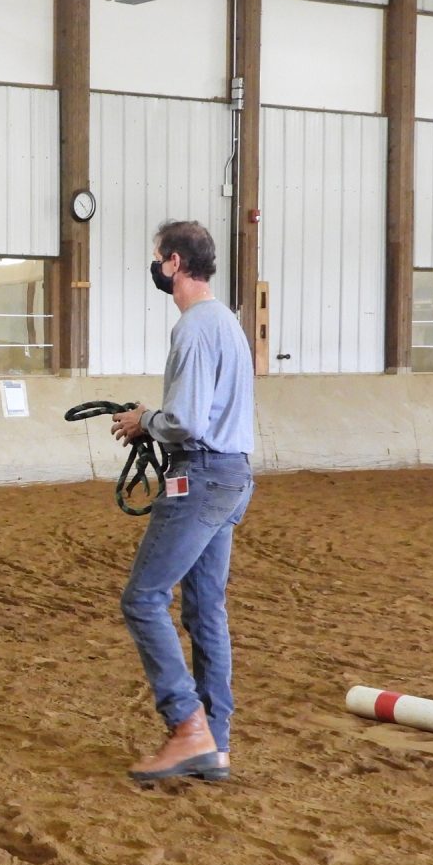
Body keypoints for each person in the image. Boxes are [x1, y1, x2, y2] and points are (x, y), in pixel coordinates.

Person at [111, 219, 256, 784]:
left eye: (157, 258)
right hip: (230, 475)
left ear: (173, 262)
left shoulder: (195, 327)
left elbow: (186, 421)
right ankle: (215, 744)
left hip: (200, 476)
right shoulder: (228, 324)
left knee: (143, 598)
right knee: (204, 609)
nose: (155, 266)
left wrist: (144, 420)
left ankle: (186, 725)